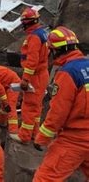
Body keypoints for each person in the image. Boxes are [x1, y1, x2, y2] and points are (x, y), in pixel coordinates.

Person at [33, 26, 89, 181]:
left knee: (45, 178)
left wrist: (42, 138)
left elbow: (58, 112)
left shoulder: (68, 73)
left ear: (55, 51)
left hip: (75, 139)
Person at [11, 8, 49, 143]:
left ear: (27, 23)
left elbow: (32, 60)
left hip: (35, 76)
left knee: (29, 106)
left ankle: (24, 136)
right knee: (37, 107)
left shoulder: (34, 37)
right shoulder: (41, 33)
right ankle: (34, 134)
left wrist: (25, 79)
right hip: (42, 74)